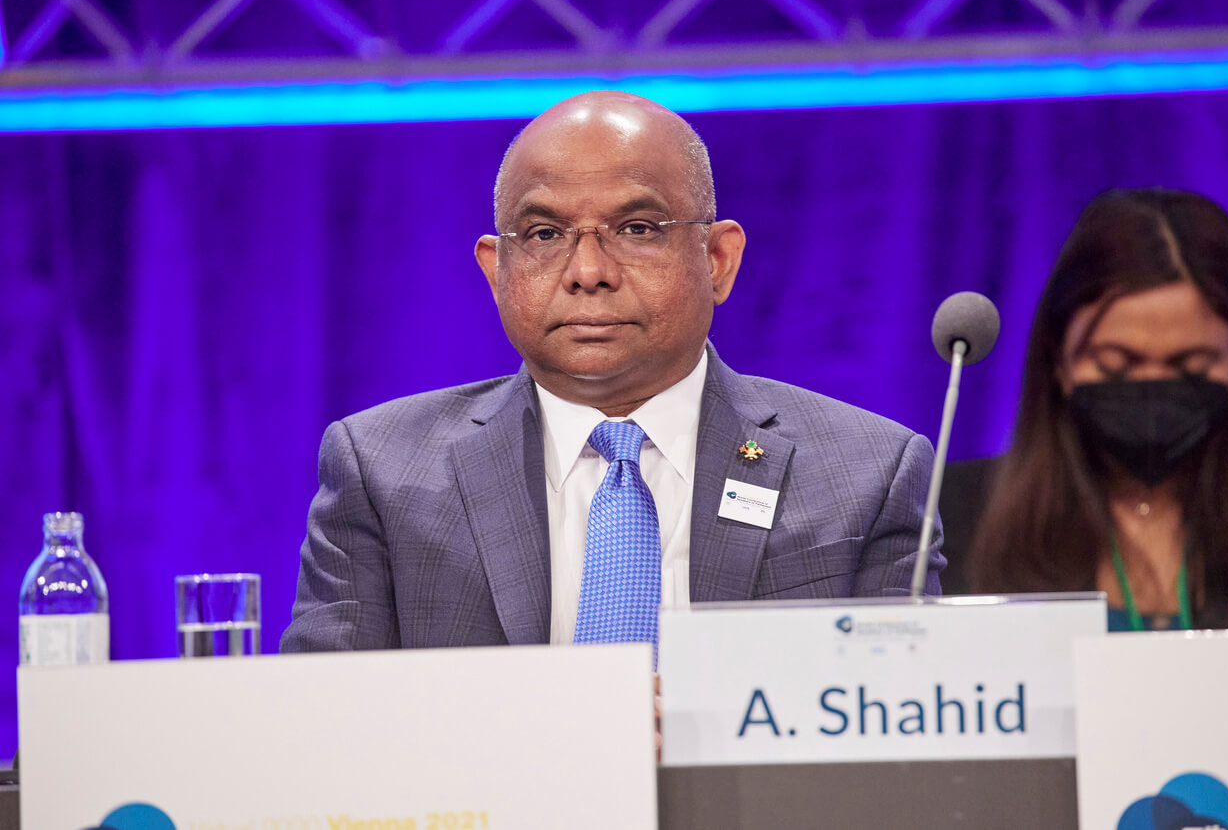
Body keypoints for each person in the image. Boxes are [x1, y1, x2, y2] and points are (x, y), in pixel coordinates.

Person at [280, 90, 943, 657]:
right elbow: (328, 732)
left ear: (717, 259)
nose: (588, 269)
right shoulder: (384, 473)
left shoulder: (868, 474)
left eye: (635, 227)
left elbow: (901, 740)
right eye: (543, 234)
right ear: (494, 271)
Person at [956, 188, 1228, 629]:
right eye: (1115, 364)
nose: (1151, 385)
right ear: (1058, 357)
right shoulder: (955, 518)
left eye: (1192, 366)